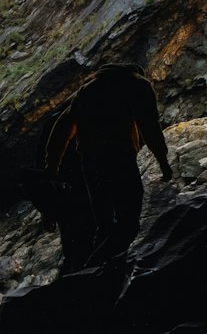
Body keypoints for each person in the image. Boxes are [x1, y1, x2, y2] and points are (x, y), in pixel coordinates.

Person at [44, 63, 172, 265]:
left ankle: (98, 273)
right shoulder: (136, 84)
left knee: (104, 225)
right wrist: (163, 161)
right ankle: (96, 269)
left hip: (90, 162)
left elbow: (62, 128)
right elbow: (149, 125)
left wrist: (52, 165)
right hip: (119, 156)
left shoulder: (87, 89)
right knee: (128, 222)